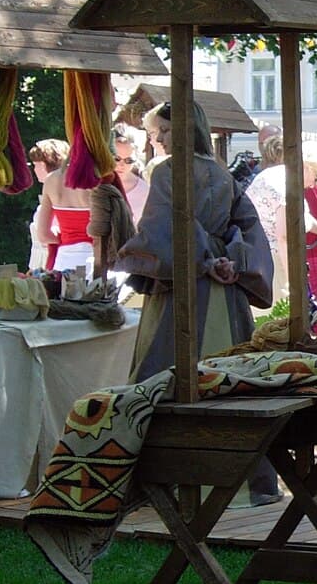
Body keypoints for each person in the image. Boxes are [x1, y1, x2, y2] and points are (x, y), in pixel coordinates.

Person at [116, 104, 273, 383]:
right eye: (157, 132)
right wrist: (231, 260)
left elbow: (163, 224)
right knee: (228, 372)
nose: (160, 139)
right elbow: (249, 226)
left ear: (187, 129)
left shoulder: (168, 170)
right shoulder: (223, 172)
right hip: (224, 283)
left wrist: (204, 261)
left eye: (165, 130)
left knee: (169, 371)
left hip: (183, 276)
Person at [245, 138, 317, 302]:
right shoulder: (286, 188)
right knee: (281, 319)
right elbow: (284, 237)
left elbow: (301, 217)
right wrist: (293, 282)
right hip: (273, 260)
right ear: (308, 167)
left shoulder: (275, 174)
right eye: (316, 178)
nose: (312, 185)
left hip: (254, 256)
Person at [33, 137, 95, 273]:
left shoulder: (51, 180)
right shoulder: (97, 181)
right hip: (95, 258)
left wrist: (66, 237)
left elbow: (43, 235)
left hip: (64, 260)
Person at [27, 139, 70, 270]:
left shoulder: (61, 196)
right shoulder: (49, 194)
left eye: (36, 165)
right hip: (39, 265)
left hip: (54, 263)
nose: (34, 169)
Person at [112, 123, 150, 226]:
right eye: (116, 159)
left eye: (129, 160)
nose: (122, 164)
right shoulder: (95, 184)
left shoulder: (144, 190)